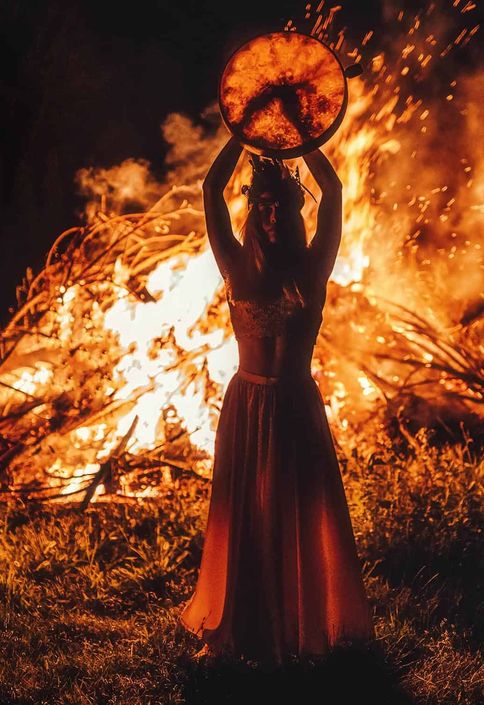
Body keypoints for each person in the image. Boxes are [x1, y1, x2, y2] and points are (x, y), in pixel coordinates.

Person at [180, 135, 376, 669]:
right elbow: (211, 188)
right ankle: (245, 629)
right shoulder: (233, 265)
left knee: (295, 511)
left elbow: (332, 189)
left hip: (293, 408)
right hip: (245, 406)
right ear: (252, 212)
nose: (270, 215)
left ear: (294, 212)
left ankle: (299, 628)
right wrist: (241, 134)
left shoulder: (314, 267)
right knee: (246, 512)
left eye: (281, 206)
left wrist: (304, 141)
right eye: (262, 206)